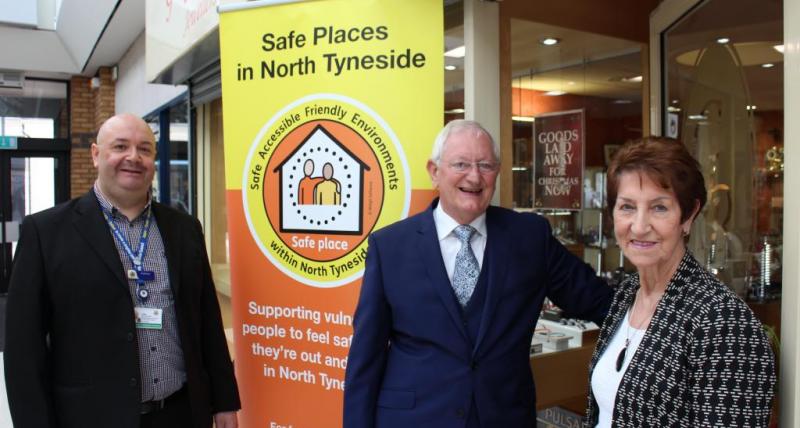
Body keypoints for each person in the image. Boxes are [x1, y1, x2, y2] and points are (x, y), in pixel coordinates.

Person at [343, 119, 613, 427]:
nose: (474, 176)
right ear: (434, 171)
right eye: (461, 164)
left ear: (497, 172)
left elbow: (600, 302)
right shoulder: (389, 246)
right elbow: (366, 359)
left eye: (485, 165)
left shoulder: (530, 237)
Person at [5, 113, 240, 428]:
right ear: (95, 154)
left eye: (144, 149)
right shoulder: (46, 232)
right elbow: (24, 349)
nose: (133, 157)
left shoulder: (184, 228)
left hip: (180, 413)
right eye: (120, 146)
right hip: (91, 418)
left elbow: (207, 320)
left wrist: (224, 401)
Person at [585, 137, 776, 427]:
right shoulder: (627, 293)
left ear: (688, 216)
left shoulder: (723, 321)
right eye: (627, 207)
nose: (639, 226)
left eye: (659, 208)